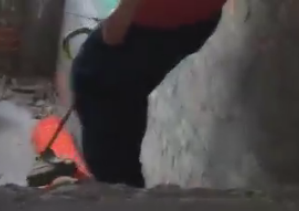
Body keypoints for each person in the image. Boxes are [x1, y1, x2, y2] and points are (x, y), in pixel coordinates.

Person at [71, 0, 227, 187]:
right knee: (127, 98)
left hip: (150, 30)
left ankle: (120, 193)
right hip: (196, 23)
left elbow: (112, 36)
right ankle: (124, 184)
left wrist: (120, 17)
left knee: (98, 87)